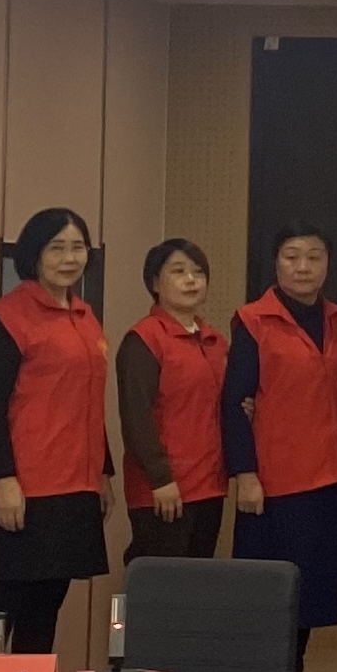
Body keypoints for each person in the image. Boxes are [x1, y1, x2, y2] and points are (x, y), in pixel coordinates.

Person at [0, 208, 112, 656]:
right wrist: (5, 479)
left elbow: (89, 401)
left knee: (48, 599)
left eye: (77, 248)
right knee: (2, 596)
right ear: (34, 254)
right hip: (27, 484)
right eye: (57, 248)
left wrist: (103, 473)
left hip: (77, 482)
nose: (69, 258)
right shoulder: (7, 316)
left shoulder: (85, 316)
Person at [225, 223, 337, 672]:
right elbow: (235, 401)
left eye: (314, 257)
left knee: (311, 599)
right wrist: (245, 473)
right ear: (276, 262)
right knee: (268, 598)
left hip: (330, 480)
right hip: (274, 484)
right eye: (292, 256)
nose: (303, 267)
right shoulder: (253, 320)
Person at [118, 239, 227, 563]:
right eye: (178, 272)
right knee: (162, 583)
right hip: (164, 487)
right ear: (155, 282)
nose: (191, 280)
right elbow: (135, 416)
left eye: (198, 272)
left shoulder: (215, 340)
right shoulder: (144, 338)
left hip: (210, 485)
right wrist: (160, 478)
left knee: (196, 583)